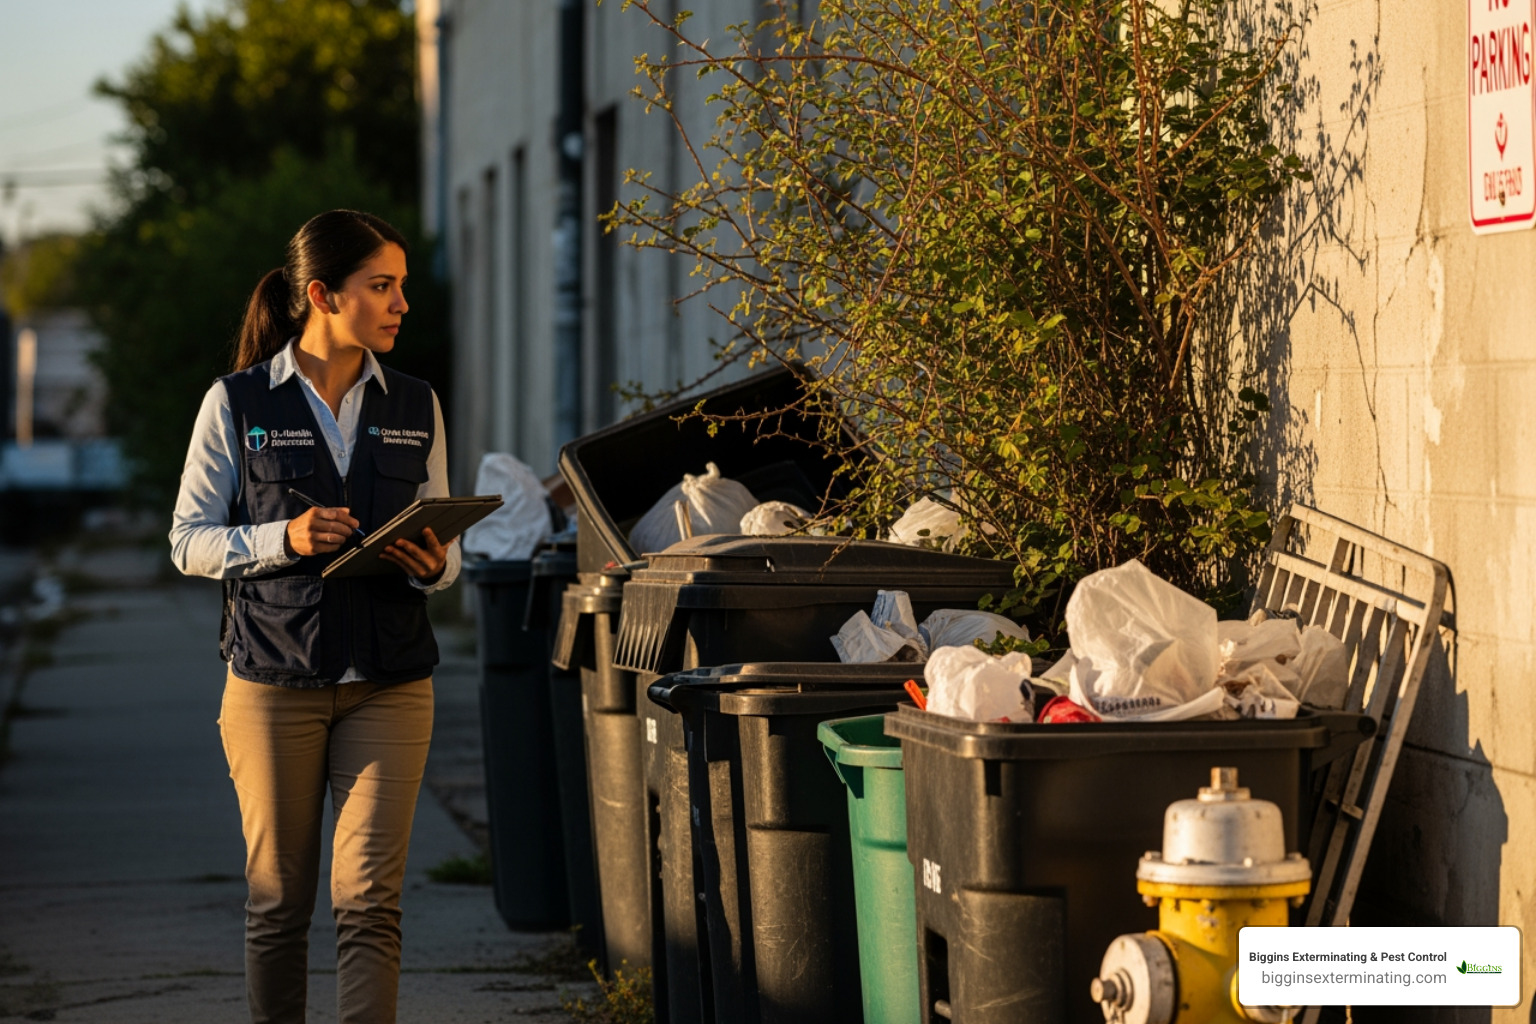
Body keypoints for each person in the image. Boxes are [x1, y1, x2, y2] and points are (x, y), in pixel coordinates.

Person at [169, 209, 460, 1024]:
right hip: (271, 682)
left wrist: (438, 565)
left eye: (401, 286)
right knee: (280, 903)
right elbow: (187, 541)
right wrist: (282, 536)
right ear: (323, 296)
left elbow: (442, 527)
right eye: (382, 286)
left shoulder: (416, 401)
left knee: (369, 899)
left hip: (392, 682)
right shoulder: (236, 402)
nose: (402, 303)